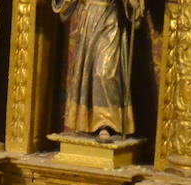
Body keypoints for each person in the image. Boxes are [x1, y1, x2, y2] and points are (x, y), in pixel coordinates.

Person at [52, 0, 144, 138]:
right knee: (86, 74)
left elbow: (134, 8)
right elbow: (64, 7)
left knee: (105, 74)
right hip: (88, 20)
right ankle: (86, 121)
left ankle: (106, 123)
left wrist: (133, 4)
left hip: (110, 20)